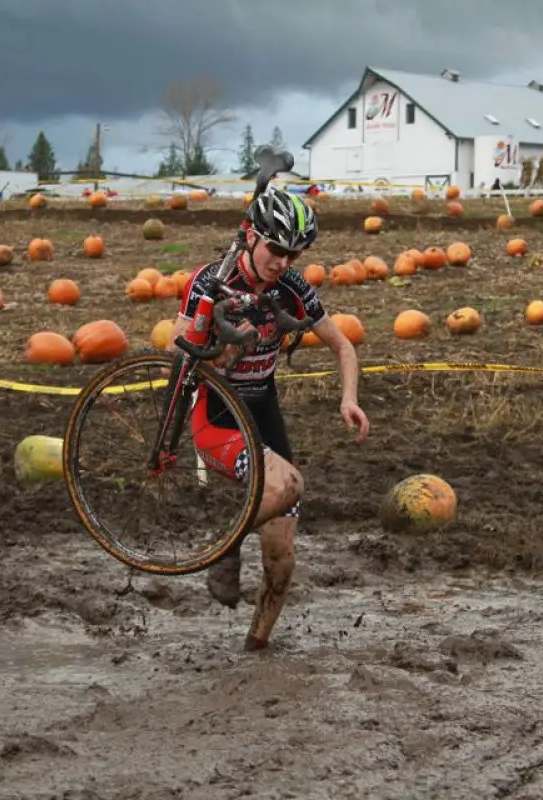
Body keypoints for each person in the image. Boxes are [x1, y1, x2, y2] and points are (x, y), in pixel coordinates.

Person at [167, 185, 370, 652]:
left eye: (294, 255)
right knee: (289, 484)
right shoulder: (208, 281)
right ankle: (227, 547)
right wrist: (221, 347)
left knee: (282, 560)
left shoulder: (292, 288)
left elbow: (343, 346)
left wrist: (349, 399)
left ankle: (255, 649)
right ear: (250, 236)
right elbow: (174, 355)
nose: (283, 262)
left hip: (263, 411)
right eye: (276, 249)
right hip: (217, 416)